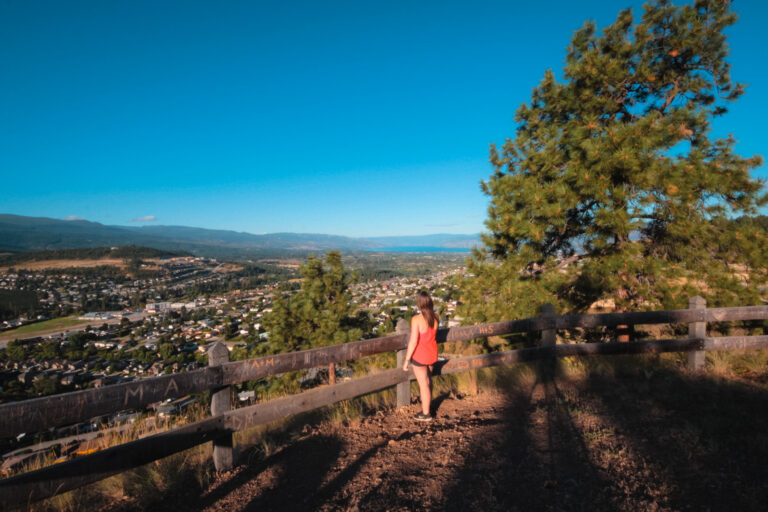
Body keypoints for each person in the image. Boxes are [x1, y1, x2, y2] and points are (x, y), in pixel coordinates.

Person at [402, 290, 438, 422]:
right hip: (432, 354)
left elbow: (413, 341)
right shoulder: (435, 318)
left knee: (423, 384)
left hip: (420, 356)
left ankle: (426, 413)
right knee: (428, 381)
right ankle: (428, 406)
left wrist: (406, 360)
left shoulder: (416, 319)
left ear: (419, 304)